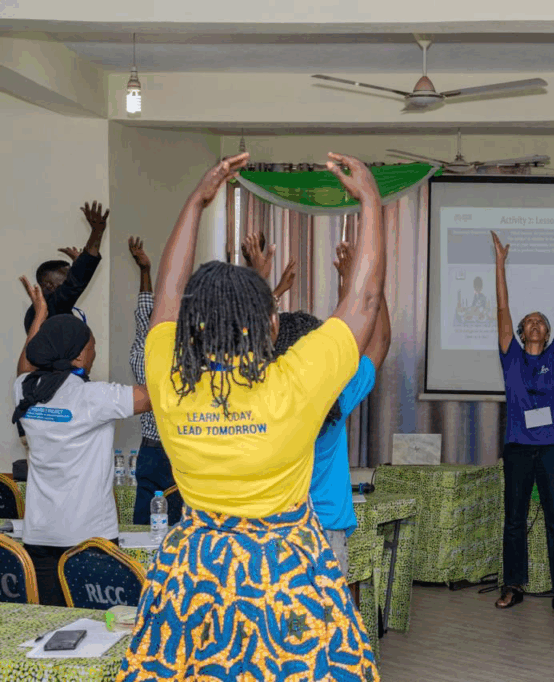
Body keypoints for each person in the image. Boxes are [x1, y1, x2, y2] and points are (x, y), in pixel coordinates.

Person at [118, 151, 382, 681]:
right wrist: (371, 202)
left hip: (195, 577)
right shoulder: (296, 382)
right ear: (269, 326)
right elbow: (365, 300)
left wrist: (195, 200)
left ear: (189, 327)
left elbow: (167, 293)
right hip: (288, 578)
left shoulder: (170, 380)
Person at [14, 278, 150, 606]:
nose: (94, 351)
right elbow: (150, 397)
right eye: (91, 345)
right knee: (98, 626)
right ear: (76, 357)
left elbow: (26, 365)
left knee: (50, 622)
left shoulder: (26, 391)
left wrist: (39, 318)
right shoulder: (93, 397)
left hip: (40, 538)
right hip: (90, 542)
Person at [272, 241, 391, 576]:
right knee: (325, 625)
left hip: (278, 531)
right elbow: (378, 341)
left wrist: (270, 288)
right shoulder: (335, 398)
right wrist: (366, 283)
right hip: (326, 531)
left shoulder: (266, 403)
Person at [491, 229, 554, 615]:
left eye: (540, 323)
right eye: (528, 322)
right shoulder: (511, 358)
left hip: (551, 448)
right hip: (517, 448)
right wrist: (499, 265)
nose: (534, 324)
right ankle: (512, 584)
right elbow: (502, 310)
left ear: (548, 335)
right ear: (520, 333)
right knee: (514, 521)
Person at [127, 236, 182, 526]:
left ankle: (143, 569)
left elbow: (143, 315)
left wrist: (145, 271)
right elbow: (144, 314)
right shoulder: (184, 359)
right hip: (177, 449)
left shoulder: (142, 352)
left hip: (151, 450)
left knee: (145, 524)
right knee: (177, 525)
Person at [23, 201, 109, 333]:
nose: (69, 280)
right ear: (50, 285)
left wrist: (78, 264)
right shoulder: (49, 307)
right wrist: (97, 233)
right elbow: (74, 283)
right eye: (66, 277)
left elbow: (74, 282)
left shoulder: (44, 308)